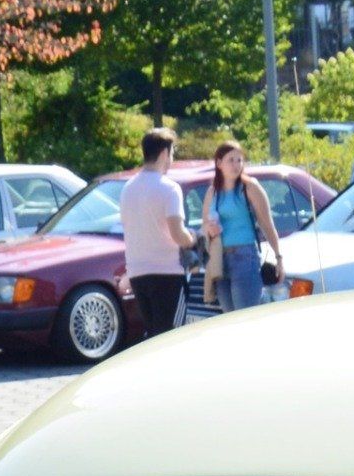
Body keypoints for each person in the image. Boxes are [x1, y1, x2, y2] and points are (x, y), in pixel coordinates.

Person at [121, 127, 196, 338]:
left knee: (154, 334)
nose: (172, 159)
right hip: (167, 271)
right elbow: (177, 234)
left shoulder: (127, 188)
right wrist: (192, 238)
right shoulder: (169, 188)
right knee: (172, 335)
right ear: (164, 153)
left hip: (137, 271)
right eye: (172, 153)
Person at [201, 140, 282, 312]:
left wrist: (279, 257)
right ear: (219, 163)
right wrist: (209, 229)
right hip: (219, 259)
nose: (236, 165)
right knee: (229, 317)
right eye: (231, 160)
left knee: (245, 315)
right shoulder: (212, 192)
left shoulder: (249, 187)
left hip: (245, 256)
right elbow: (204, 226)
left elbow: (267, 224)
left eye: (239, 160)